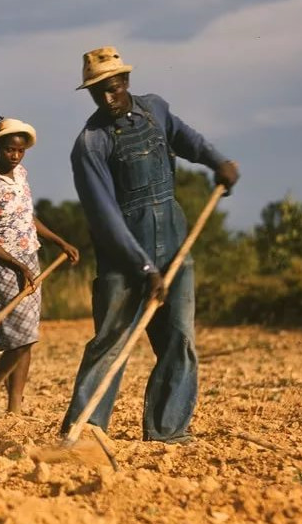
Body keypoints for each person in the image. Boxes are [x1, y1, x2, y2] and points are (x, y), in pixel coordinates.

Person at [60, 46, 239, 443]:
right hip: (122, 257)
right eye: (98, 92)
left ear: (126, 80)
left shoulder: (155, 109)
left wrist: (217, 162)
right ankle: (85, 432)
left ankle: (167, 429)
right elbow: (105, 218)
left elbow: (187, 139)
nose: (108, 98)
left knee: (179, 337)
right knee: (112, 341)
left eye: (113, 87)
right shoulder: (91, 143)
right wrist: (144, 268)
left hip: (174, 242)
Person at [0, 117, 80, 416]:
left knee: (28, 336)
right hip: (4, 264)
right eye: (9, 150)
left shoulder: (21, 175)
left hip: (30, 258)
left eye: (20, 151)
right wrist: (16, 265)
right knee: (18, 338)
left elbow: (26, 217)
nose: (15, 156)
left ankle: (14, 407)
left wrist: (59, 241)